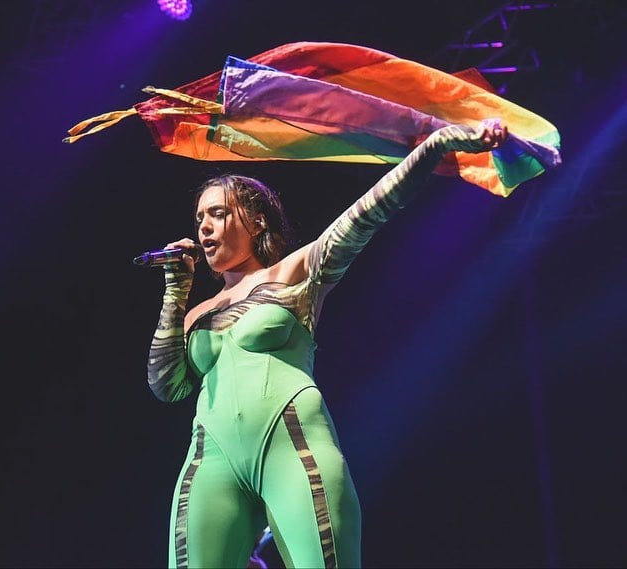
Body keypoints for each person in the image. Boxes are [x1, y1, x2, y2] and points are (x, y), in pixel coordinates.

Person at [146, 121, 509, 568]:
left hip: (292, 446)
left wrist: (435, 145)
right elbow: (168, 387)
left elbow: (370, 211)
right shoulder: (199, 313)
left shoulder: (295, 274)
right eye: (200, 217)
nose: (204, 227)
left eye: (218, 213)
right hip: (211, 458)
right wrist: (175, 290)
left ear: (257, 219)